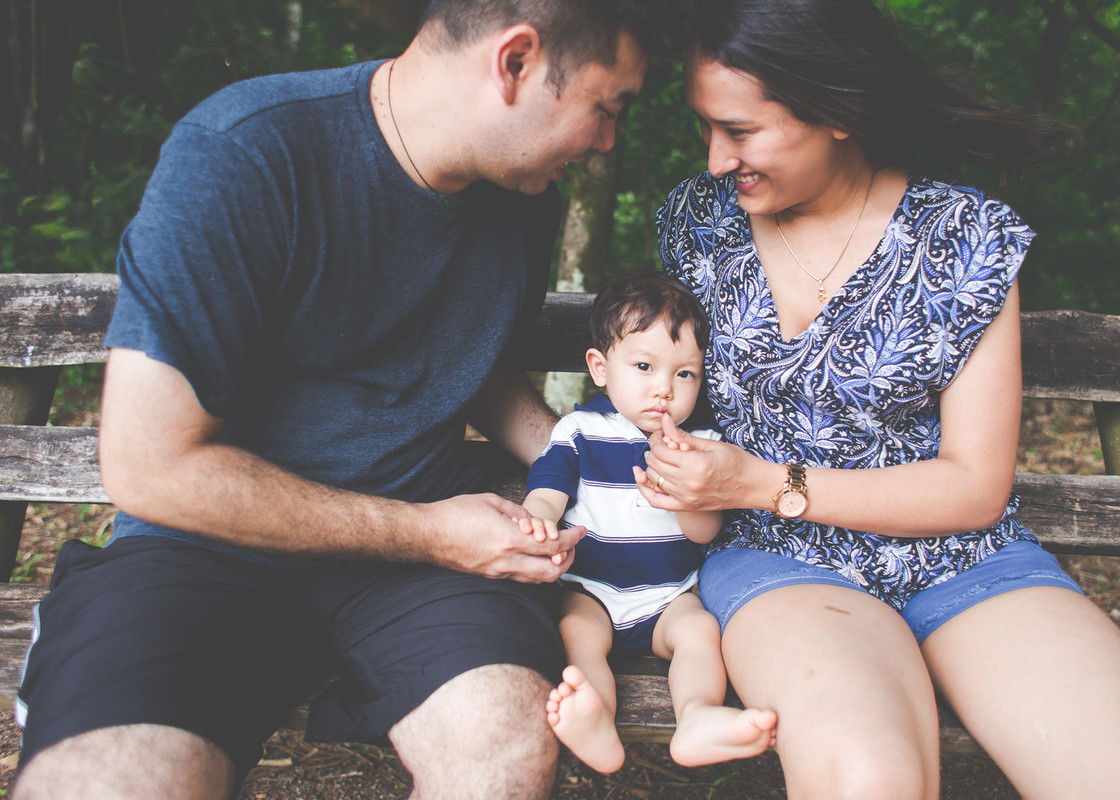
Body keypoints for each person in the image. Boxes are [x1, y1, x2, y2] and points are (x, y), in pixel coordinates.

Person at [11, 2, 671, 798]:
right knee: (107, 783)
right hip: (204, 553)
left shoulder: (523, 198)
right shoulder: (245, 154)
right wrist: (428, 532)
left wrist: (589, 454)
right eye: (606, 109)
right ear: (516, 62)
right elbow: (150, 467)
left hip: (421, 578)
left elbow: (469, 356)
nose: (606, 143)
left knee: (503, 750)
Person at [634, 1, 1120, 798]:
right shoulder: (699, 225)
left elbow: (973, 487)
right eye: (707, 128)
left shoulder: (964, 237)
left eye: (741, 131)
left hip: (961, 559)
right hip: (784, 564)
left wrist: (761, 481)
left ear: (838, 109)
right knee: (871, 778)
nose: (717, 158)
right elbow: (650, 382)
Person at [519, 273, 777, 773]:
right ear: (600, 367)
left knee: (700, 630)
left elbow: (703, 533)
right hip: (591, 588)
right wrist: (540, 522)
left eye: (685, 374)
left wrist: (682, 497)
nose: (664, 389)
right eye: (644, 366)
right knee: (577, 632)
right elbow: (547, 490)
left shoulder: (700, 443)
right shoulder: (582, 431)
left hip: (667, 597)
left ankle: (698, 715)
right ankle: (596, 717)